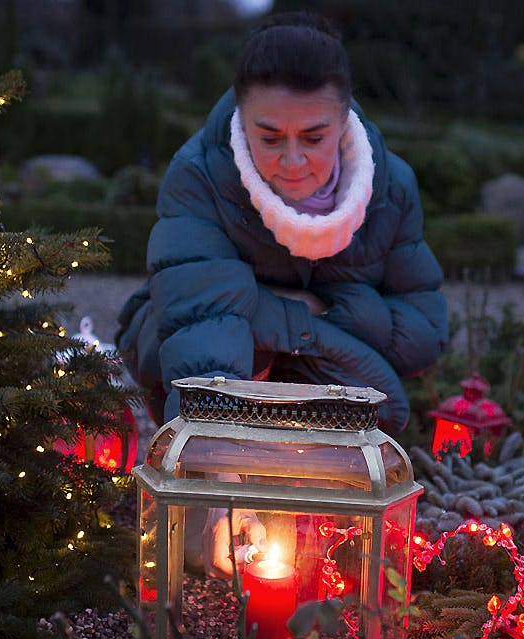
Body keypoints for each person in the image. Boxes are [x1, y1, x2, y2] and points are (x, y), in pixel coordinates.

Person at [116, 11, 448, 577]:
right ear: (241, 120)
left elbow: (422, 334)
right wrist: (305, 319)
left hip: (329, 384)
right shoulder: (198, 176)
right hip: (235, 376)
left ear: (343, 121)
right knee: (217, 550)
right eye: (268, 137)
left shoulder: (391, 187)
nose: (292, 162)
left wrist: (267, 306)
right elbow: (203, 349)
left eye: (314, 138)